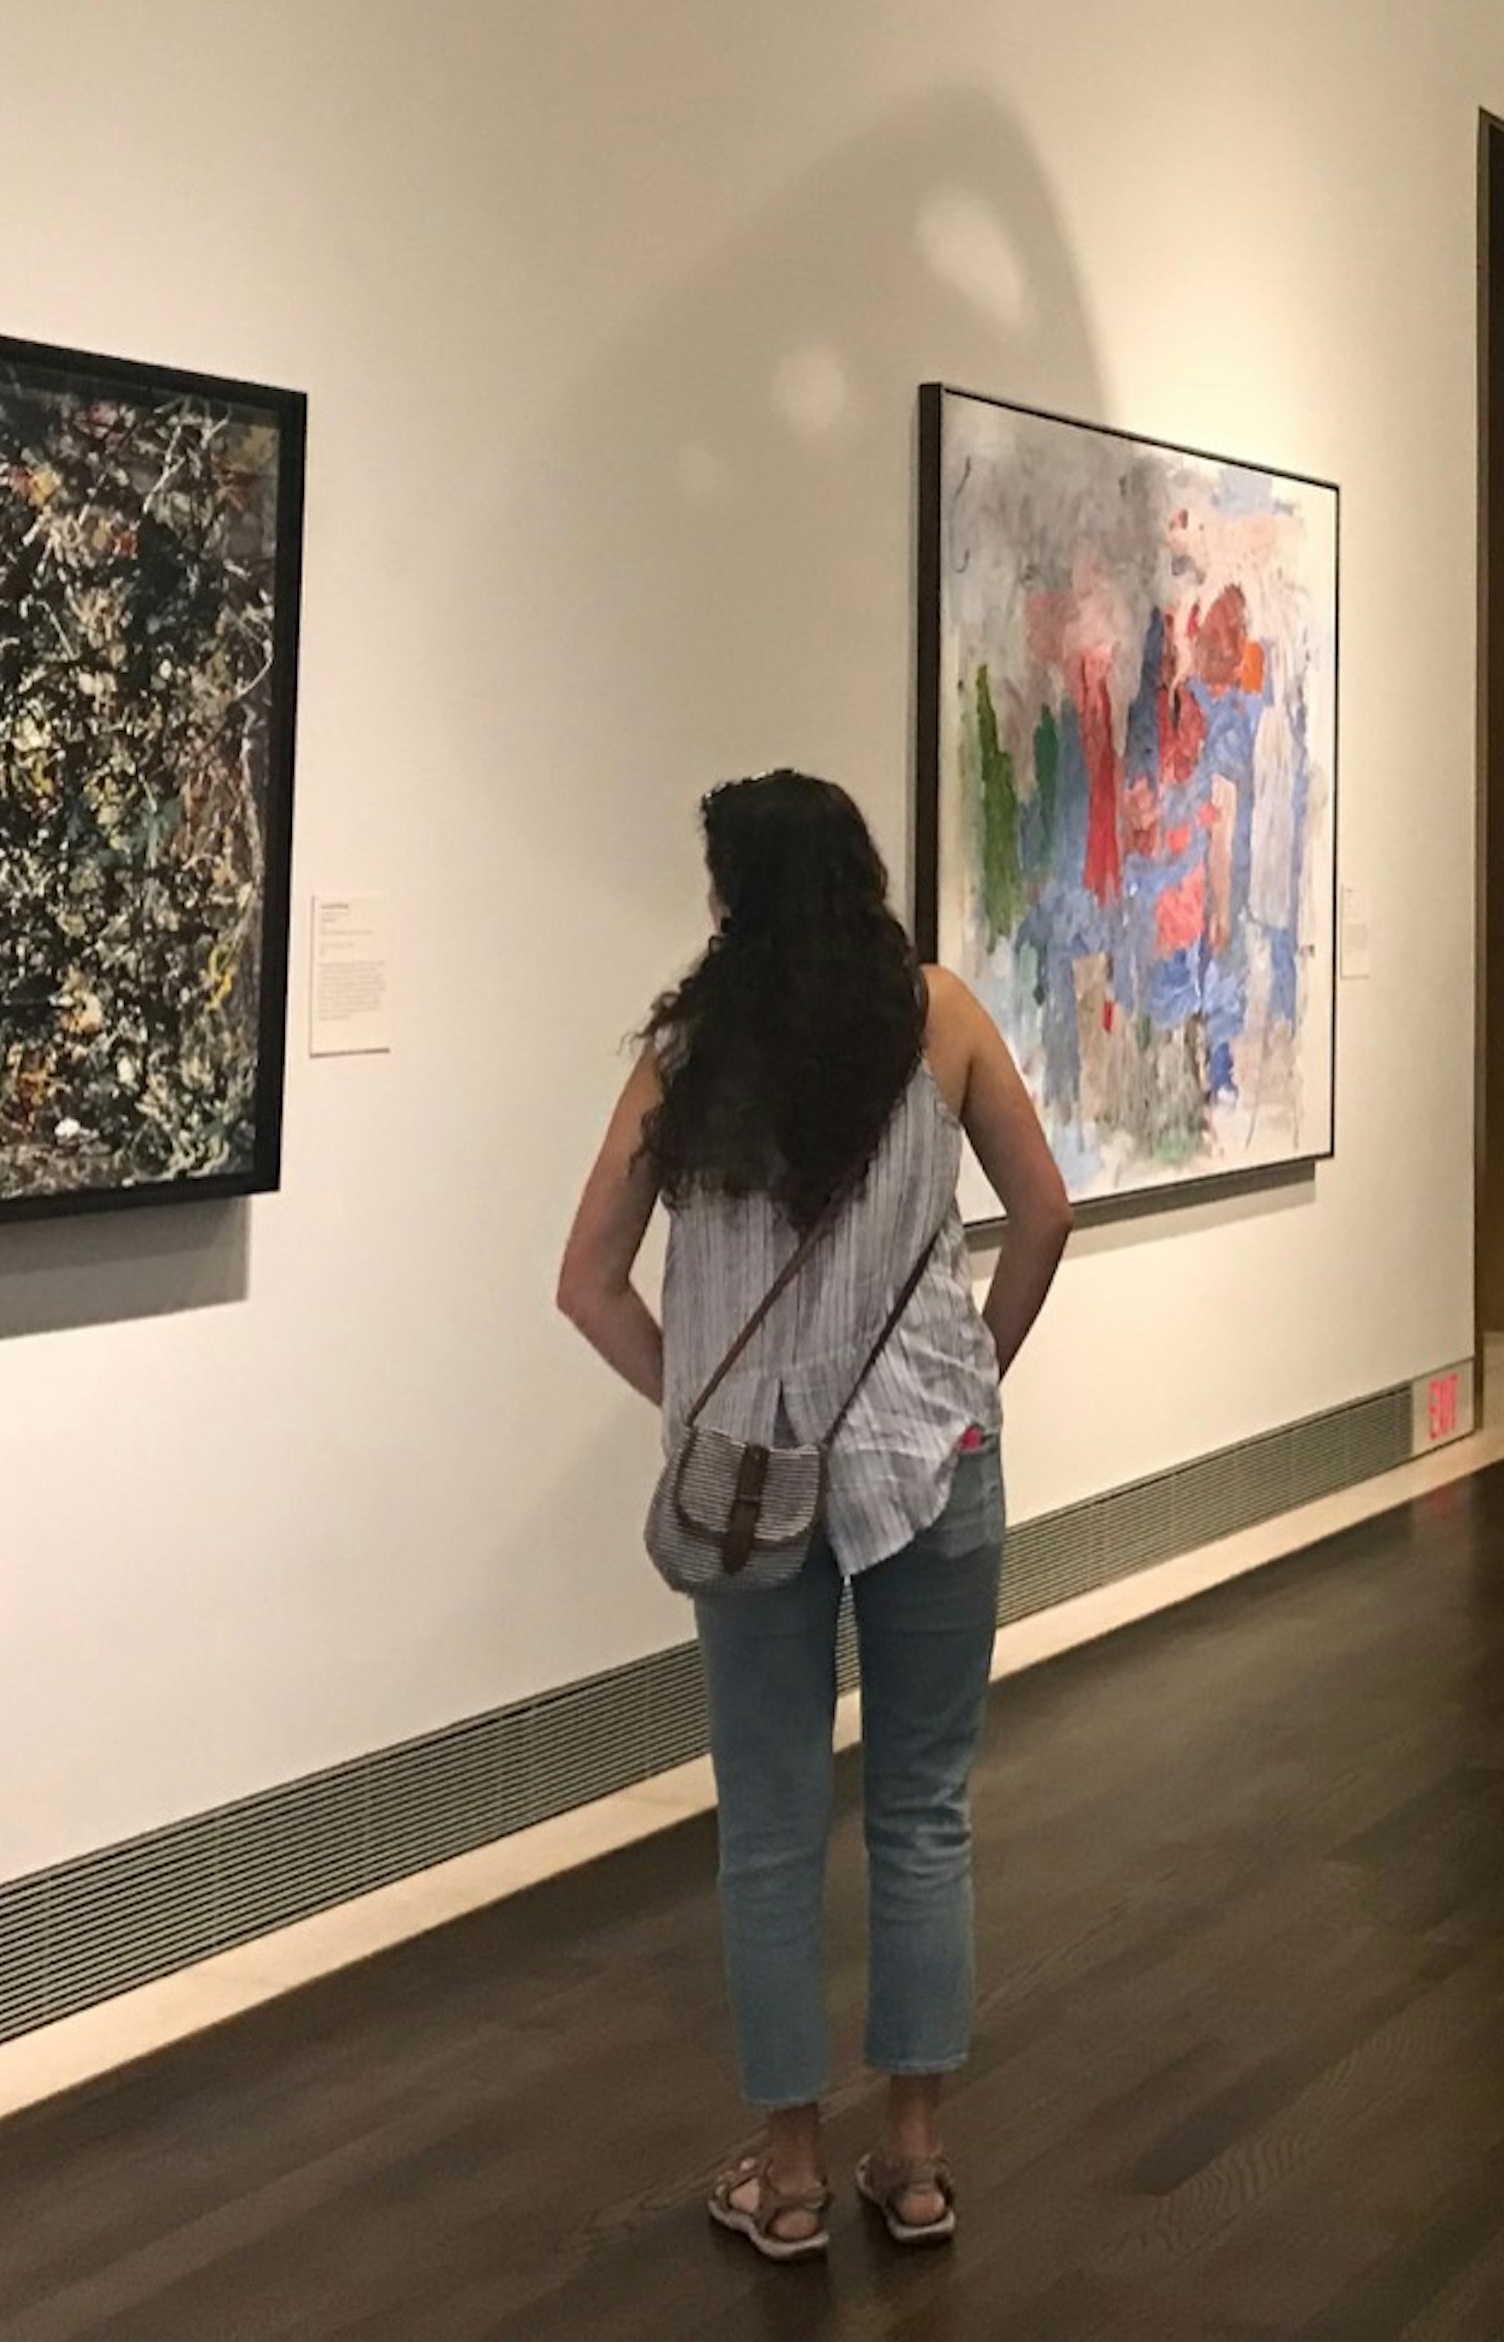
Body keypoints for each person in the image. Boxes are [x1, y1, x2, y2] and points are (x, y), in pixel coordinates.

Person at [555, 771, 1075, 2263]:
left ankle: (786, 2170)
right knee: (924, 1808)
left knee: (772, 1829)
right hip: (936, 1461)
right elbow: (1043, 1215)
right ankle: (913, 2161)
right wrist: (969, 1374)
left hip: (746, 1496)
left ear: (736, 900)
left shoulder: (687, 1056)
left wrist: (695, 1410)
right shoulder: (944, 1019)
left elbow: (585, 1278)